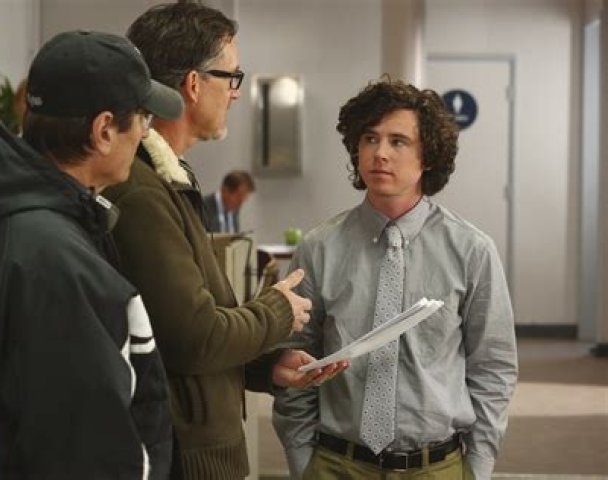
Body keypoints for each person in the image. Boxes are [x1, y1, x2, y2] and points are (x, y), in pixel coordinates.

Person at [0, 30, 184, 479]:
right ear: (103, 131)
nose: (145, 132)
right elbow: (90, 455)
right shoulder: (53, 263)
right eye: (142, 118)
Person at [102, 4, 346, 478]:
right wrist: (277, 311)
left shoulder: (167, 179)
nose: (236, 93)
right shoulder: (141, 191)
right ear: (193, 84)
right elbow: (194, 339)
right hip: (180, 454)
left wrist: (264, 367)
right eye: (232, 77)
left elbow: (180, 329)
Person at [273, 79, 518, 480]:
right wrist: (303, 459)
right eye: (370, 138)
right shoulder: (319, 248)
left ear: (428, 156)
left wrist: (477, 467)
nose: (380, 153)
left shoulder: (472, 250)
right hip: (337, 465)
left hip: (437, 467)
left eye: (398, 141)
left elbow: (493, 368)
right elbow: (293, 360)